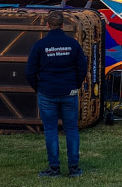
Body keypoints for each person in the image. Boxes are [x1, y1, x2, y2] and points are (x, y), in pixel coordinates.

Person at [26, 10, 89, 178]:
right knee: (72, 129)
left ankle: (54, 168)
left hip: (47, 92)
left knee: (51, 131)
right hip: (69, 91)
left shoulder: (40, 45)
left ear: (47, 25)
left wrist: (38, 88)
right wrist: (75, 84)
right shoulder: (73, 44)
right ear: (63, 25)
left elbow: (30, 71)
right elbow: (82, 67)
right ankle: (74, 167)